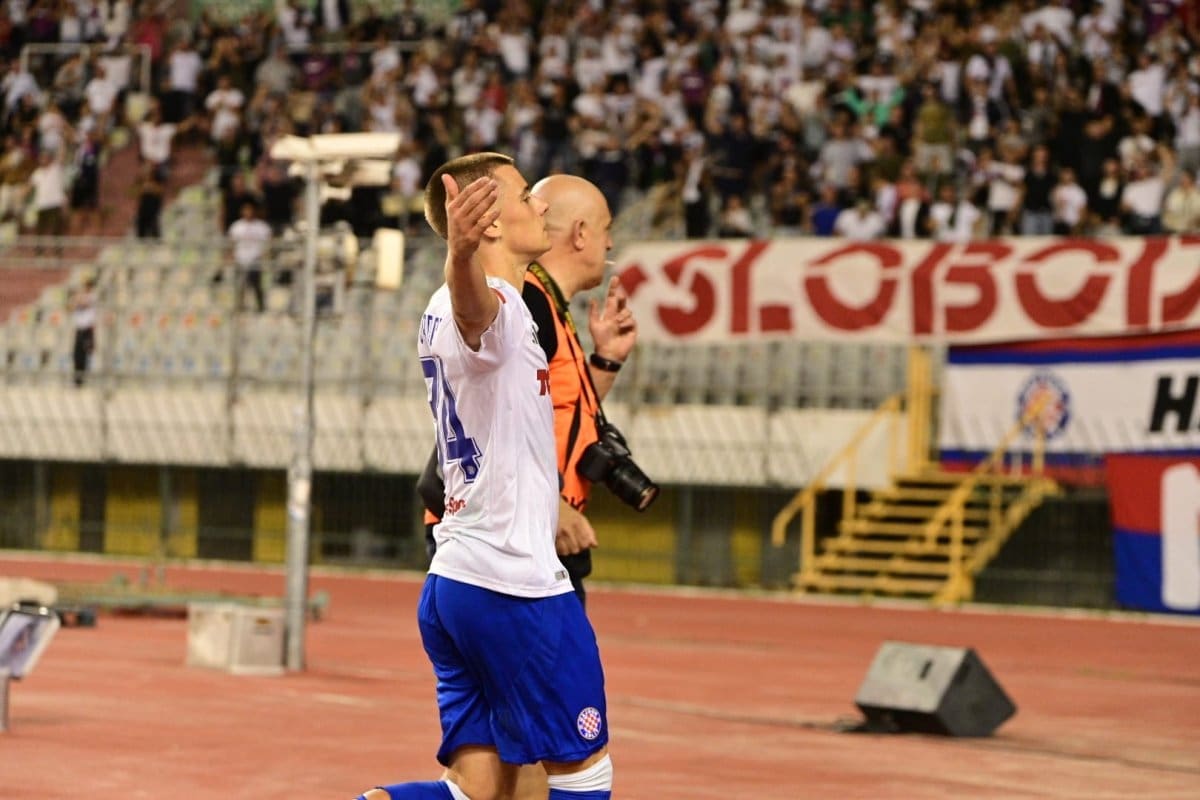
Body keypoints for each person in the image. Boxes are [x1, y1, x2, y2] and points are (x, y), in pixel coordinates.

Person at [354, 153, 613, 800]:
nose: (540, 205)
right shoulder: (491, 305)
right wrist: (460, 253)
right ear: (489, 224)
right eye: (526, 196)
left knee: (475, 792)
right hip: (513, 587)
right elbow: (476, 314)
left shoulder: (476, 309)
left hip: (456, 584)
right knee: (586, 773)